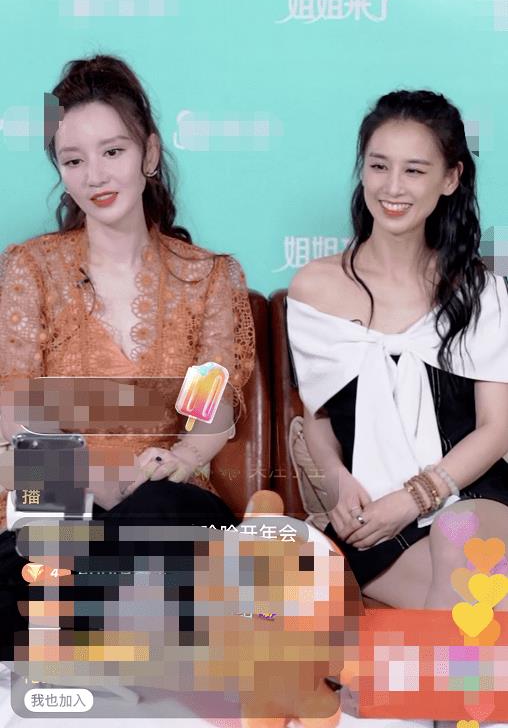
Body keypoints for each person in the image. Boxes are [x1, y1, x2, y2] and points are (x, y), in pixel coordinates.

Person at [0, 54, 255, 657]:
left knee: (166, 519)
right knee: (39, 549)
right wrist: (90, 477)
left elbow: (208, 410)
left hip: (162, 491)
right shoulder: (30, 269)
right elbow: (16, 412)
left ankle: (87, 633)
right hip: (57, 490)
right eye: (74, 160)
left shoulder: (207, 277)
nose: (96, 175)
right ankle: (122, 633)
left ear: (150, 154)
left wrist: (179, 458)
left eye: (112, 151)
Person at [286, 90, 508, 615]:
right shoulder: (315, 288)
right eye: (379, 166)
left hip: (472, 496)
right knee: (472, 611)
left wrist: (415, 498)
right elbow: (319, 419)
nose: (392, 187)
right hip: (372, 520)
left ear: (450, 179)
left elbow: (496, 428)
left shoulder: (482, 292)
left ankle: (441, 673)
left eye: (414, 170)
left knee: (457, 536)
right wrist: (339, 484)